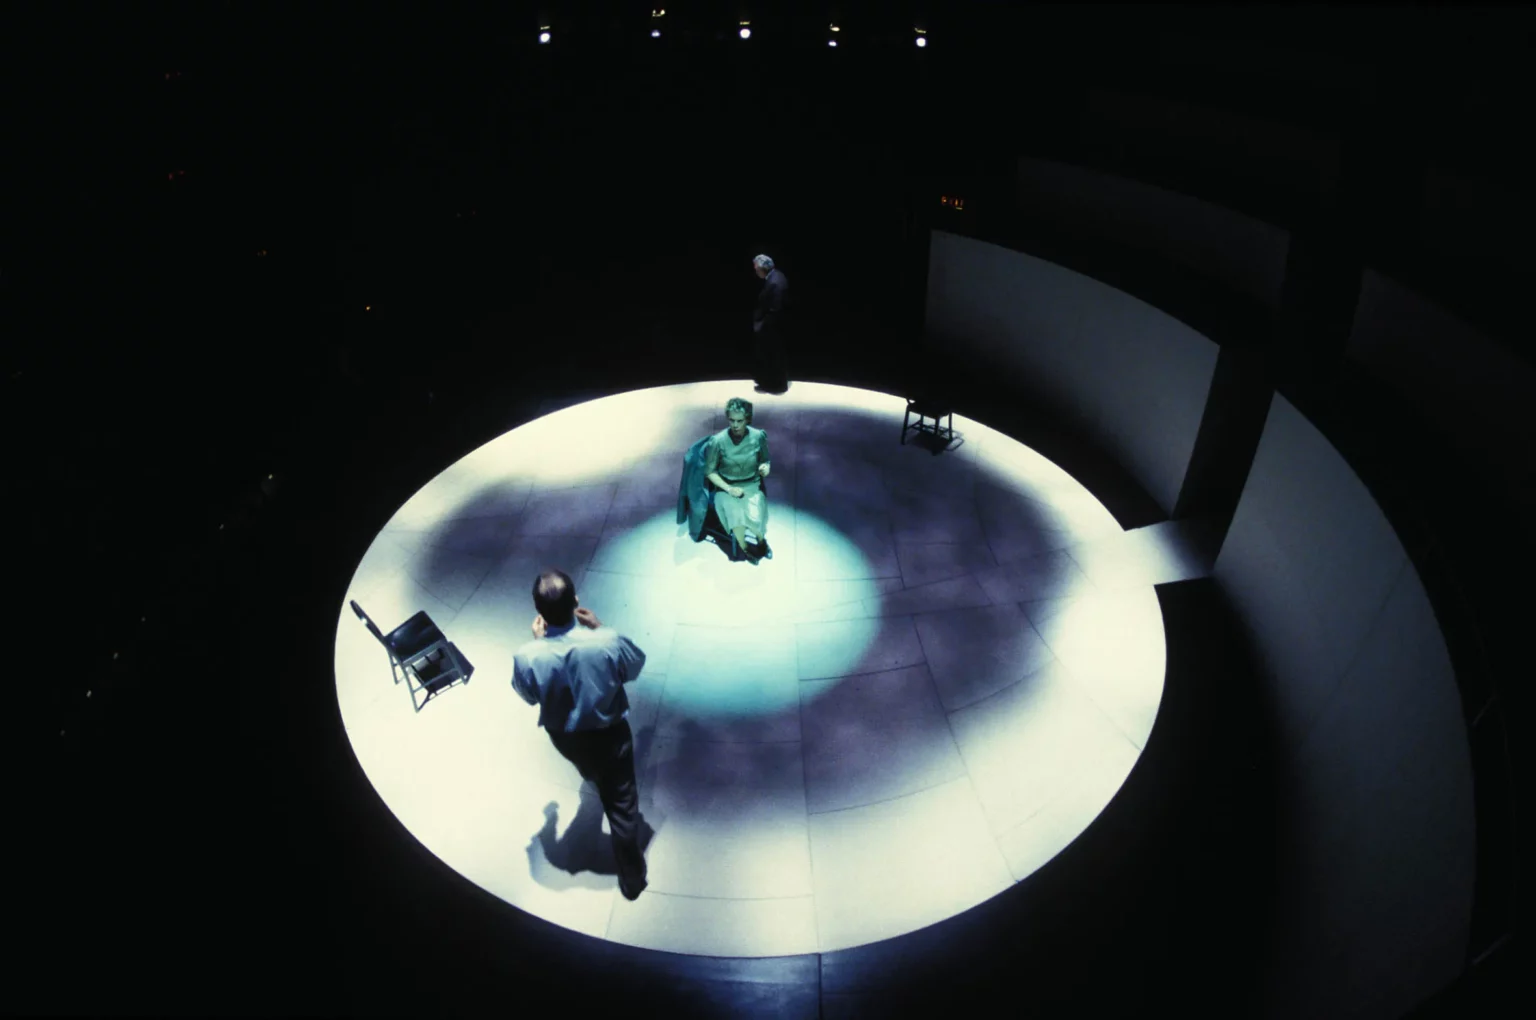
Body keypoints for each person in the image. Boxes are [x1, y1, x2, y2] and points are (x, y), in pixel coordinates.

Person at [511, 570, 651, 900]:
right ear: (576, 601)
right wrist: (600, 628)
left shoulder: (527, 655)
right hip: (611, 737)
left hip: (566, 738)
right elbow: (635, 667)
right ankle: (631, 880)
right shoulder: (607, 641)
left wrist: (537, 644)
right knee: (623, 808)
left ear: (538, 613)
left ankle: (594, 776)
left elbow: (529, 695)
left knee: (589, 770)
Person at [704, 396, 772, 562]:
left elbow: (765, 459)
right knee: (736, 518)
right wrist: (728, 489)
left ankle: (761, 542)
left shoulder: (758, 437)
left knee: (756, 517)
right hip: (726, 488)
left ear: (747, 419)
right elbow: (710, 472)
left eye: (739, 421)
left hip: (751, 485)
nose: (735, 425)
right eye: (731, 420)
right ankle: (746, 548)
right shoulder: (718, 441)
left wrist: (765, 467)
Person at [751, 254, 789, 394]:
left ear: (763, 269)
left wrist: (762, 326)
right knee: (772, 356)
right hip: (773, 326)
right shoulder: (776, 276)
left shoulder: (775, 282)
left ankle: (773, 385)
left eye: (756, 269)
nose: (756, 272)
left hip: (772, 327)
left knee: (772, 357)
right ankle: (770, 382)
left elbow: (774, 309)